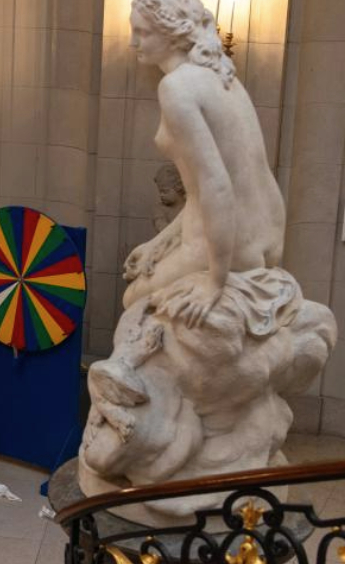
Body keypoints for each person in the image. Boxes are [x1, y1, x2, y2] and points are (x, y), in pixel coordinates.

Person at [121, 0, 285, 323]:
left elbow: (217, 186)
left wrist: (215, 281)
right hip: (266, 234)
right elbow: (209, 188)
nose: (132, 42)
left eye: (142, 32)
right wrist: (159, 242)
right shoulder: (223, 76)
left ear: (172, 34)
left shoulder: (176, 88)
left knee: (133, 301)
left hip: (228, 244)